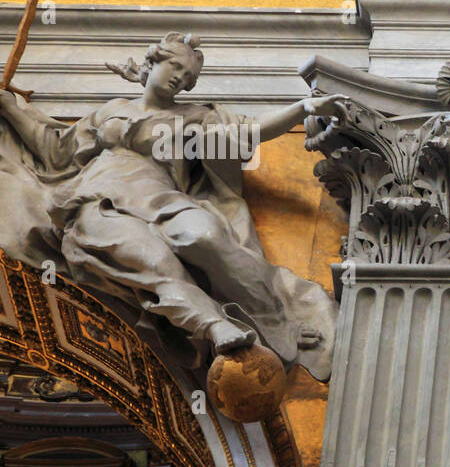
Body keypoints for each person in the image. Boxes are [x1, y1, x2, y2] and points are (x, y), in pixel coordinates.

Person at [0, 32, 345, 380]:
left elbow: (250, 130)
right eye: (174, 65)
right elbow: (55, 148)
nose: (180, 77)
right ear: (152, 63)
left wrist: (301, 109)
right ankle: (213, 324)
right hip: (99, 200)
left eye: (189, 76)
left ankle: (280, 320)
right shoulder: (112, 110)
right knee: (154, 261)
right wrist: (8, 107)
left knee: (206, 237)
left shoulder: (196, 117)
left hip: (161, 196)